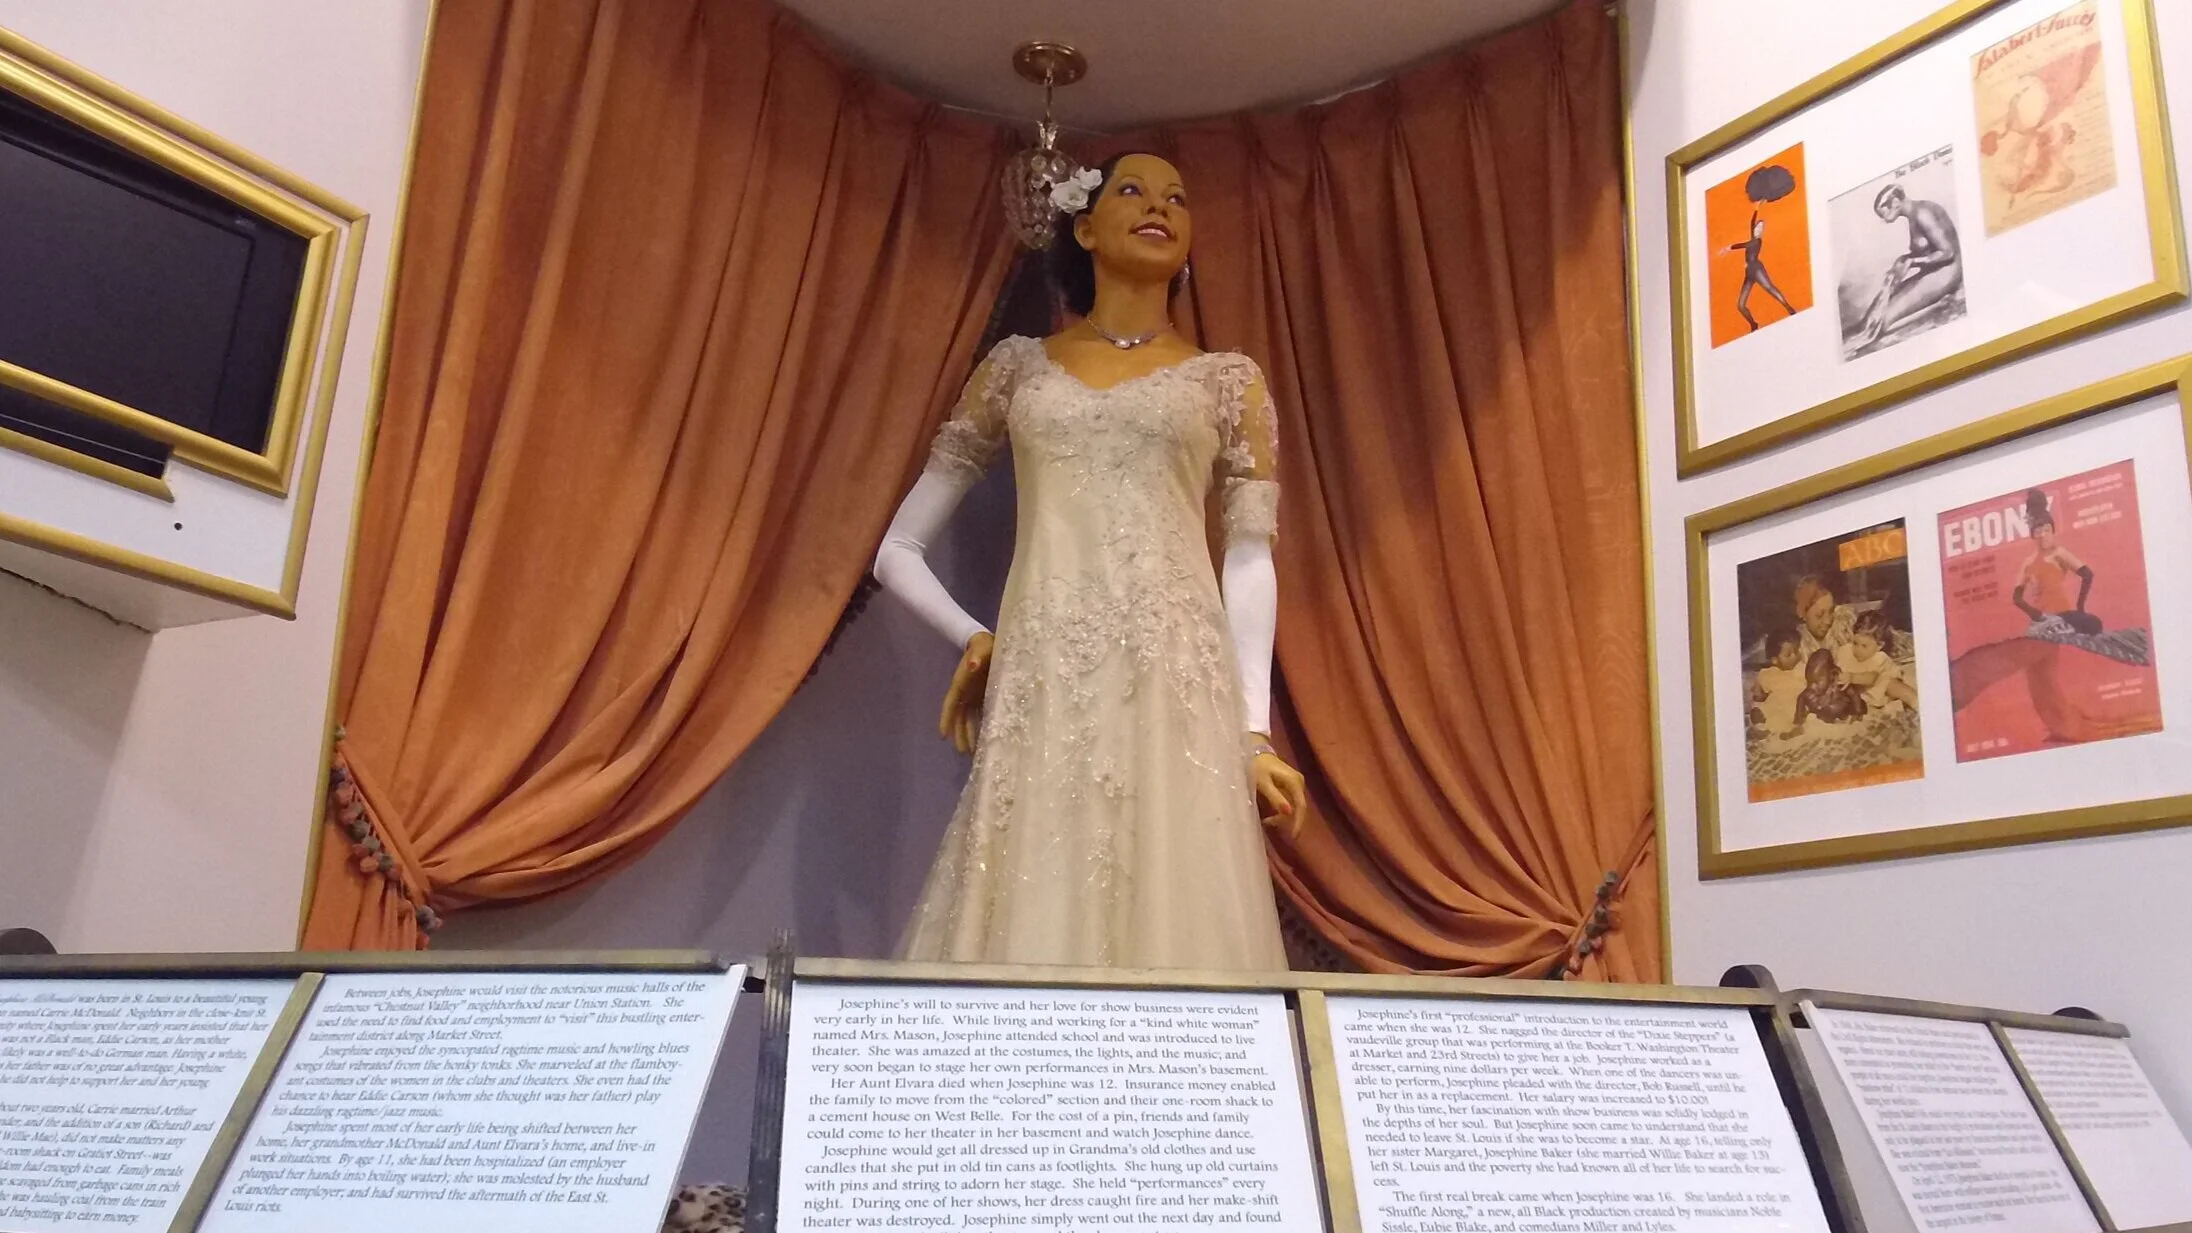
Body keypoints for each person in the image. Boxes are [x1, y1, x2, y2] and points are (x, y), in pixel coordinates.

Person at [871, 153, 1305, 970]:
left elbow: (1249, 558)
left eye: (1179, 196)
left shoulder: (1227, 381)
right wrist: (979, 636)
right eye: (1133, 190)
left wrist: (1253, 731)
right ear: (1083, 224)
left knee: (1180, 909)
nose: (1161, 206)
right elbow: (897, 551)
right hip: (1048, 680)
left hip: (1176, 683)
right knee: (1035, 890)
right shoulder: (1016, 369)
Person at [1849, 183, 1962, 352]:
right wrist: (1904, 260)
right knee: (1876, 311)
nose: (1884, 219)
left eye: (1884, 214)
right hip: (1935, 271)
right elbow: (1927, 249)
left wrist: (1914, 262)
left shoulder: (1923, 213)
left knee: (1883, 320)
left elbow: (1948, 252)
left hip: (1948, 272)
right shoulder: (1914, 214)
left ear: (1894, 202)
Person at [2013, 489, 2099, 636]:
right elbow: (2017, 598)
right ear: (2033, 535)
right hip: (2044, 619)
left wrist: (2080, 606)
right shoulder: (2027, 563)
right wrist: (2035, 614)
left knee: (2094, 625)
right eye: (2038, 531)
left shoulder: (2059, 553)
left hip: (2066, 615)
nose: (2043, 535)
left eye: (2047, 530)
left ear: (2053, 531)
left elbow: (2087, 575)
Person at [1835, 609, 1918, 709]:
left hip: (1881, 682)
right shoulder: (1846, 651)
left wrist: (1852, 677)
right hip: (1862, 694)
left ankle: (1917, 703)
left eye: (1864, 646)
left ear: (1879, 646)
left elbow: (1871, 678)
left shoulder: (1879, 658)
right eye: (1855, 643)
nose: (1858, 649)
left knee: (1895, 687)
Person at [1728, 212, 1797, 331]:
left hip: (1757, 269)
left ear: (1761, 232)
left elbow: (1743, 245)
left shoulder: (1756, 241)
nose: (1758, 229)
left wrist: (1729, 248)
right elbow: (1751, 222)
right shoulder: (1753, 236)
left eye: (1761, 228)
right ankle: (1753, 325)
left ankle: (1790, 309)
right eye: (1757, 227)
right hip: (1749, 273)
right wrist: (1756, 208)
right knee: (1740, 305)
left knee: (1770, 288)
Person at [1749, 628, 1807, 734]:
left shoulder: (1802, 669)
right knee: (1757, 711)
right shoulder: (1767, 673)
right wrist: (1758, 695)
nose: (1795, 656)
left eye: (1796, 651)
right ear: (1775, 660)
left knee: (1805, 720)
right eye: (1788, 655)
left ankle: (1792, 731)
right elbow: (1759, 695)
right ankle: (1762, 729)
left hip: (1794, 708)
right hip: (1774, 708)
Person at [1790, 649, 1868, 728]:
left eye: (1817, 682)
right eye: (1809, 681)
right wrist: (1798, 719)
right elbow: (1801, 698)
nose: (1812, 686)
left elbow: (1854, 694)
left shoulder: (1840, 684)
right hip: (1822, 718)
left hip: (1841, 716)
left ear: (1831, 674)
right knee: (1806, 698)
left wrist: (1858, 712)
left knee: (1855, 705)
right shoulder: (1810, 692)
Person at [1793, 576, 1853, 661]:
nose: (1828, 621)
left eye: (1831, 611)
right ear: (1803, 614)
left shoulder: (1842, 622)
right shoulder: (1797, 646)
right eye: (1819, 615)